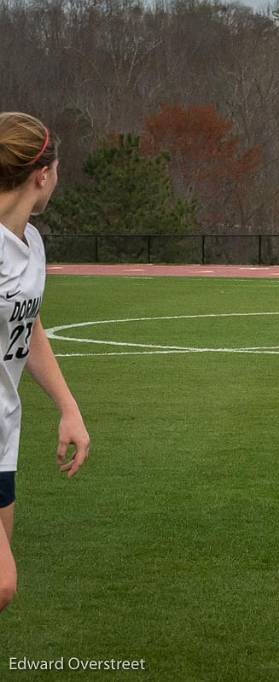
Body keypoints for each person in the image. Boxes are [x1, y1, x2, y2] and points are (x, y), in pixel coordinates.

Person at [0, 112, 91, 614]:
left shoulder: (31, 244)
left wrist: (67, 406)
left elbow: (27, 324)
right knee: (2, 584)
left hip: (3, 435)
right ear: (43, 174)